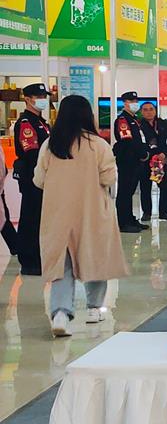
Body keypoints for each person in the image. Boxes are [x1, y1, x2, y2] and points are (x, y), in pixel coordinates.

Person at [33, 95, 128, 336]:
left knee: (61, 263)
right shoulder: (98, 145)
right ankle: (94, 308)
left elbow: (39, 180)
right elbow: (109, 177)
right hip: (92, 211)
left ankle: (60, 313)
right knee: (95, 256)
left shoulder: (50, 145)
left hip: (58, 213)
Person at [11, 83, 50, 274]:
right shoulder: (26, 123)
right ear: (27, 99)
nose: (43, 100)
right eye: (38, 96)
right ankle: (29, 260)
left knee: (39, 217)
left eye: (44, 96)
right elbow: (32, 153)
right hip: (32, 177)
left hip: (42, 176)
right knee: (30, 217)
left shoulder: (41, 122)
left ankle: (37, 256)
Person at [111, 92, 149, 233]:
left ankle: (130, 218)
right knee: (124, 192)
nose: (134, 103)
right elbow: (128, 141)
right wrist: (142, 154)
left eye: (135, 100)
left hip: (135, 161)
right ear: (125, 103)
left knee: (130, 191)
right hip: (127, 160)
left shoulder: (133, 119)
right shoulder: (123, 120)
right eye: (131, 101)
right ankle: (123, 222)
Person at [136, 101, 167, 222]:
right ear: (141, 112)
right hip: (146, 161)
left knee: (164, 186)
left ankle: (164, 212)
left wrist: (165, 153)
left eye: (151, 109)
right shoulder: (138, 125)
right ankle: (146, 212)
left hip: (161, 161)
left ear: (155, 110)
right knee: (145, 187)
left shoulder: (163, 124)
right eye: (145, 110)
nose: (149, 112)